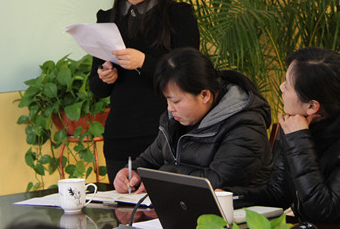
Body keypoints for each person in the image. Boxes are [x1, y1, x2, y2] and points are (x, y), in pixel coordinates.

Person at [89, 0, 200, 182]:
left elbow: (190, 77)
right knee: (121, 204)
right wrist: (105, 76)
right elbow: (96, 89)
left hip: (167, 135)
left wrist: (144, 62)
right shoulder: (106, 19)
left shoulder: (178, 15)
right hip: (119, 138)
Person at [113, 47, 273, 193]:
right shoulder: (175, 121)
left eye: (176, 101)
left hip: (238, 213)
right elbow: (150, 160)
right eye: (167, 100)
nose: (169, 108)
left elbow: (217, 181)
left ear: (205, 95)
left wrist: (164, 175)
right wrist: (132, 172)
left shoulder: (246, 124)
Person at [233, 47, 340, 225]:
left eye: (287, 85)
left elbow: (323, 210)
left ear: (312, 106)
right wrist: (229, 195)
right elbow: (278, 193)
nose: (281, 87)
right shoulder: (298, 125)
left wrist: (300, 141)